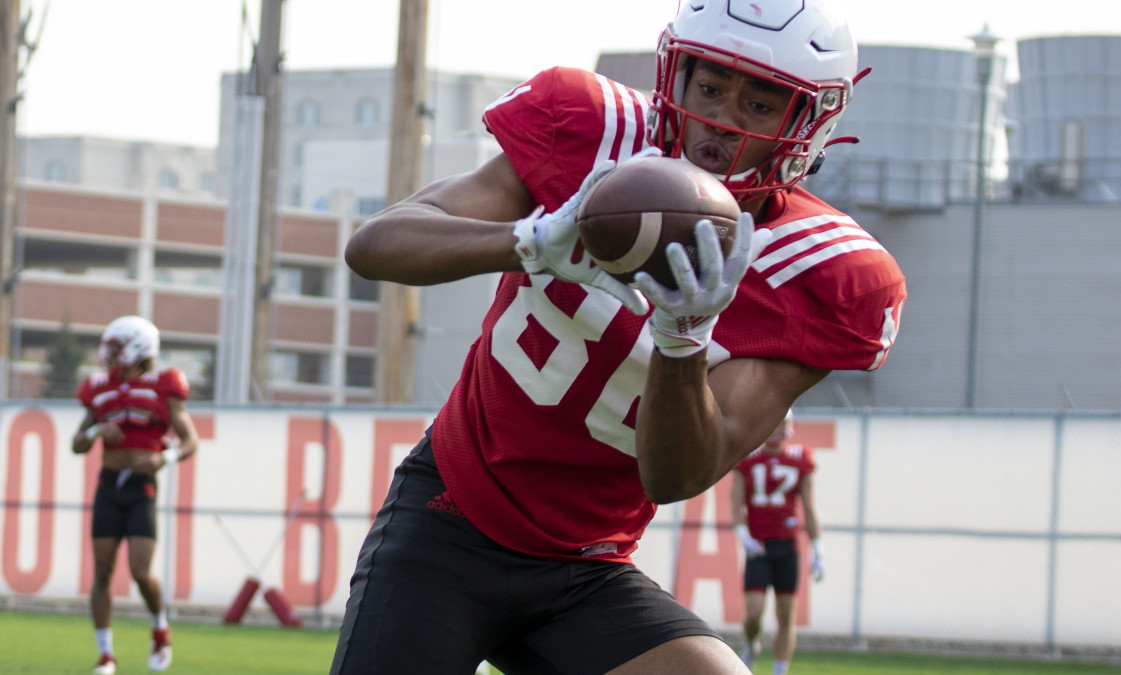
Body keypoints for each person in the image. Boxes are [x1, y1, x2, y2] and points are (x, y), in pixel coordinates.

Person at [333, 0, 905, 672]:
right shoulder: (594, 134)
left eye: (759, 103)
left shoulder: (824, 271)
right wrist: (529, 241)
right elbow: (375, 246)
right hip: (451, 515)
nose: (722, 120)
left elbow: (677, 474)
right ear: (677, 74)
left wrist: (682, 340)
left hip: (586, 566)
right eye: (712, 86)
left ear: (807, 122)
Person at [72, 315, 199, 675]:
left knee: (141, 572)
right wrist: (97, 429)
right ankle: (105, 654)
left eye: (116, 347)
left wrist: (165, 457)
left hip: (141, 486)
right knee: (101, 571)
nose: (109, 355)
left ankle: (159, 626)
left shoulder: (164, 384)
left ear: (140, 347)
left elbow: (190, 440)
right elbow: (76, 444)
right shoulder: (98, 387)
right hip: (109, 484)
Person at [731, 411, 824, 675]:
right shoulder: (747, 458)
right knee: (753, 613)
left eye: (782, 425)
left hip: (787, 546)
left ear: (790, 429)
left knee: (786, 615)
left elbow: (809, 506)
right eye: (773, 424)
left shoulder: (800, 458)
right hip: (758, 546)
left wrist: (819, 550)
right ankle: (751, 645)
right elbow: (735, 502)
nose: (776, 431)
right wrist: (743, 536)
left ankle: (779, 671)